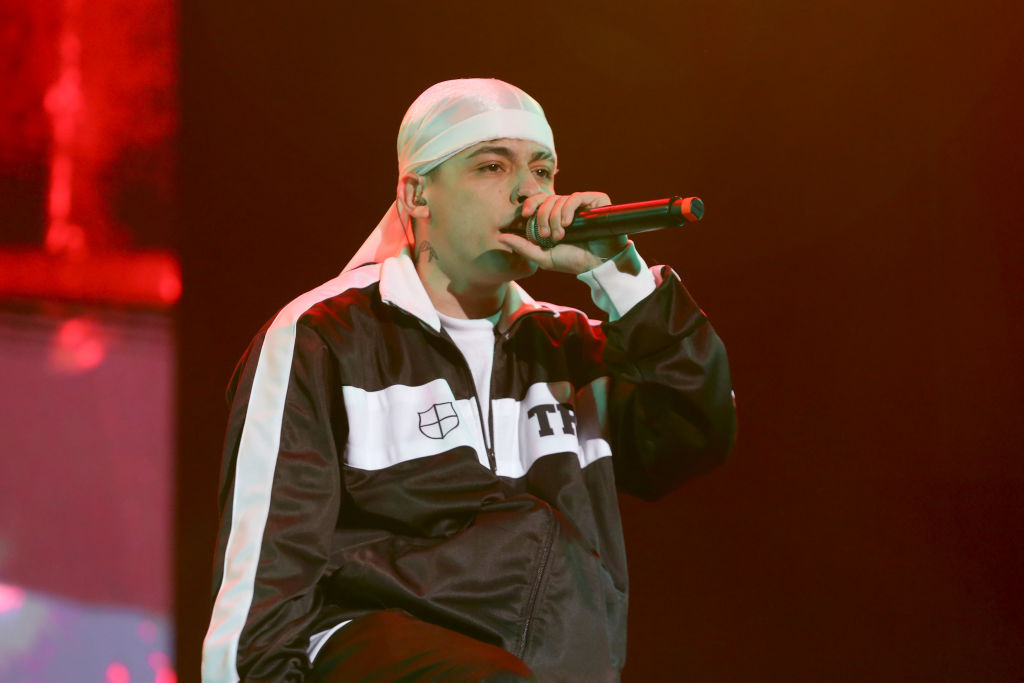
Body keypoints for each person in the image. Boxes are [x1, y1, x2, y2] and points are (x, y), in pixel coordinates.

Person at [202, 78, 737, 682]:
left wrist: (618, 273)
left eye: (542, 171)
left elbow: (696, 434)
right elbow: (266, 576)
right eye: (492, 166)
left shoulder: (573, 348)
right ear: (417, 194)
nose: (529, 192)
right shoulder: (324, 336)